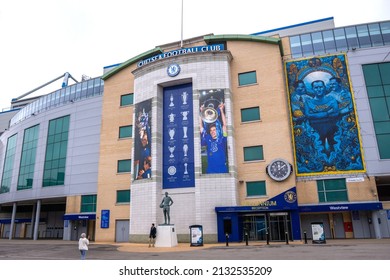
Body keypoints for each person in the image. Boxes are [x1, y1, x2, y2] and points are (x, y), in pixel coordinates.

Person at [304, 80, 340, 150]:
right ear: (312, 89)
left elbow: (336, 113)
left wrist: (315, 114)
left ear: (324, 88)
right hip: (315, 130)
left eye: (320, 87)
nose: (319, 89)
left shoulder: (332, 99)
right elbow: (308, 115)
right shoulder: (308, 102)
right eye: (316, 87)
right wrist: (327, 113)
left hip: (332, 128)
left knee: (334, 148)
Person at [199, 102, 228, 173]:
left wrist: (221, 110)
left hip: (222, 170)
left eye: (214, 130)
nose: (212, 131)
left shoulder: (222, 138)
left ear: (217, 130)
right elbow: (201, 127)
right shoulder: (208, 138)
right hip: (210, 170)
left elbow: (224, 125)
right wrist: (201, 112)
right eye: (211, 130)